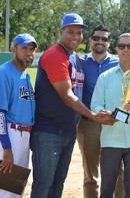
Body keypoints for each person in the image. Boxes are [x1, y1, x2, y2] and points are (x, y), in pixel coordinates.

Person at [30, 13, 113, 198]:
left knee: (57, 184)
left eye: (79, 32)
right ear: (61, 32)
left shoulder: (74, 58)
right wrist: (93, 116)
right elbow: (67, 95)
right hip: (48, 132)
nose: (75, 36)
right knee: (43, 185)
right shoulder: (55, 55)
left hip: (67, 131)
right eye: (70, 32)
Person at [91, 33, 130, 198]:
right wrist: (103, 113)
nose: (126, 49)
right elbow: (95, 104)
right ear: (116, 50)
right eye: (122, 46)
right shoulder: (105, 77)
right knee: (107, 189)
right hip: (111, 140)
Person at [76, 25, 122, 198]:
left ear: (109, 43)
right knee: (90, 173)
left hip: (114, 123)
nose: (100, 41)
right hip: (89, 123)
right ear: (90, 40)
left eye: (104, 39)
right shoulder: (80, 62)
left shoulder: (118, 62)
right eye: (96, 38)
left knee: (119, 171)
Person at [0, 34, 37, 198]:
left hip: (23, 136)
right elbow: (0, 113)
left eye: (32, 49)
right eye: (24, 48)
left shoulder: (25, 75)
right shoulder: (4, 72)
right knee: (6, 189)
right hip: (10, 135)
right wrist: (6, 147)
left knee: (15, 189)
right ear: (13, 49)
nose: (28, 52)